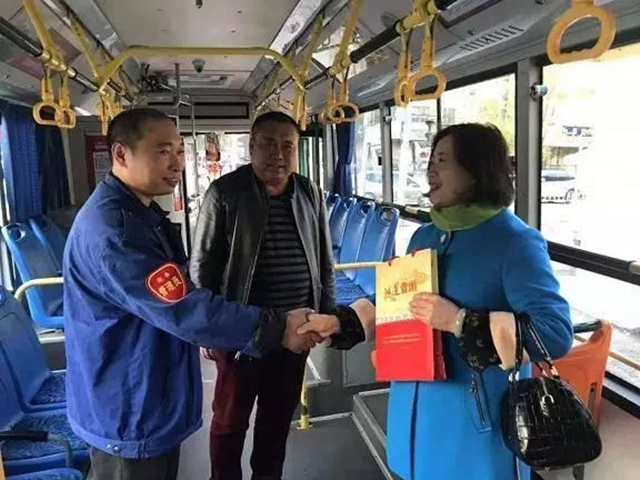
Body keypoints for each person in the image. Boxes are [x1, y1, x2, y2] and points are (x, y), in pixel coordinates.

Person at [299, 123, 574, 480]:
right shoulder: (425, 236)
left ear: (475, 171)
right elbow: (400, 300)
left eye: (442, 160)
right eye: (430, 160)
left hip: (475, 429)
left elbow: (554, 333)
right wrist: (341, 321)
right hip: (414, 415)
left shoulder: (515, 242)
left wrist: (460, 321)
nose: (430, 169)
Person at [63, 108, 316, 480]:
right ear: (120, 155)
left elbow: (180, 289)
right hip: (128, 407)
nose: (177, 162)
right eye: (163, 151)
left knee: (273, 422)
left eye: (180, 151)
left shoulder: (140, 217)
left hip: (147, 393)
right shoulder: (117, 233)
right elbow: (183, 306)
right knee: (229, 422)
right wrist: (277, 327)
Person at [190, 110, 341, 480]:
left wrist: (328, 313)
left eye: (287, 146)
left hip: (296, 332)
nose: (278, 154)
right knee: (230, 421)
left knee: (276, 421)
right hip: (243, 332)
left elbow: (324, 260)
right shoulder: (225, 193)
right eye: (269, 144)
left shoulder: (308, 192)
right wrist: (207, 329)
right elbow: (202, 265)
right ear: (251, 147)